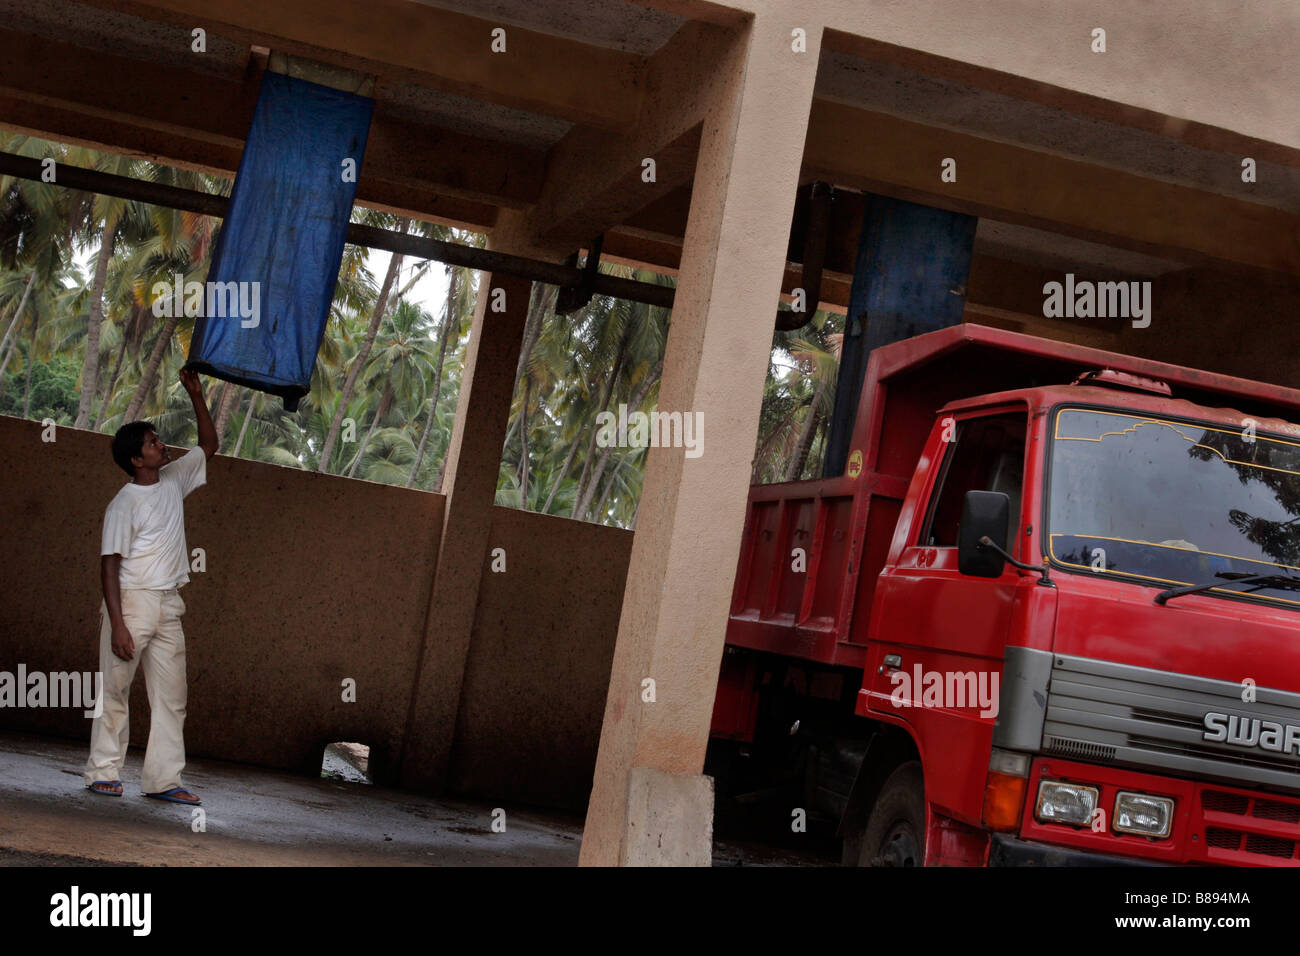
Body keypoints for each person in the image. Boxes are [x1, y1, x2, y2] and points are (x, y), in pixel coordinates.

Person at [82, 367, 218, 804]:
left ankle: (163, 780)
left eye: (158, 439)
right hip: (131, 603)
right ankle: (103, 771)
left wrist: (196, 394)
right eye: (153, 443)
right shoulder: (123, 504)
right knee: (115, 691)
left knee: (172, 700)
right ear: (137, 460)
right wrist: (119, 624)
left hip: (168, 604)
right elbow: (109, 567)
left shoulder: (174, 480)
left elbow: (209, 445)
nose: (162, 445)